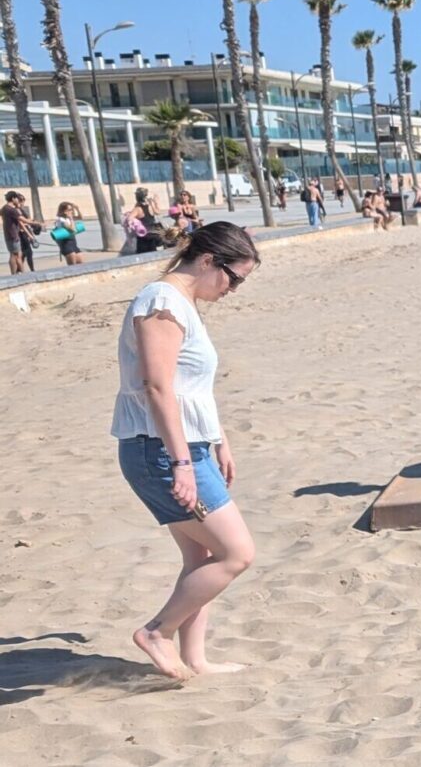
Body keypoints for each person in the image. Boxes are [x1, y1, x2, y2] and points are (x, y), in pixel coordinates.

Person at [112, 221, 259, 681]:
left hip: (182, 447)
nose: (233, 290)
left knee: (201, 558)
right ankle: (157, 632)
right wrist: (181, 463)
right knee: (236, 553)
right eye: (234, 279)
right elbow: (157, 387)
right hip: (160, 451)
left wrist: (218, 439)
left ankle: (195, 658)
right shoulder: (162, 303)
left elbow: (190, 389)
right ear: (210, 261)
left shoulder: (182, 303)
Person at [3, 190, 43, 274]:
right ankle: (19, 273)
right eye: (17, 199)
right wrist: (37, 223)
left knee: (16, 254)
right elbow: (23, 221)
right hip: (14, 235)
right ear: (13, 198)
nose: (18, 201)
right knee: (16, 255)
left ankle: (17, 273)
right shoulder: (12, 210)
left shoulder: (4, 208)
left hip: (9, 234)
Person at [53, 201, 86, 266]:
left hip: (73, 242)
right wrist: (71, 219)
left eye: (72, 209)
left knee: (81, 263)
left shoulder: (67, 218)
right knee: (72, 266)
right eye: (70, 210)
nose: (72, 211)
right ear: (64, 211)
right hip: (66, 244)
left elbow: (81, 218)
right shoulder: (61, 220)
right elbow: (72, 230)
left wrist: (77, 209)